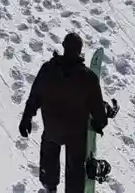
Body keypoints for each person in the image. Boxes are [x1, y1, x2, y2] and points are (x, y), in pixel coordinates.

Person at [18, 33, 110, 193]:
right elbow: (98, 111)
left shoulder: (48, 69)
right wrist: (98, 122)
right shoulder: (88, 77)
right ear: (80, 51)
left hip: (52, 128)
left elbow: (35, 97)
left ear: (64, 46)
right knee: (75, 167)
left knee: (50, 152)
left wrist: (26, 118)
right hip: (76, 134)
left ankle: (49, 186)